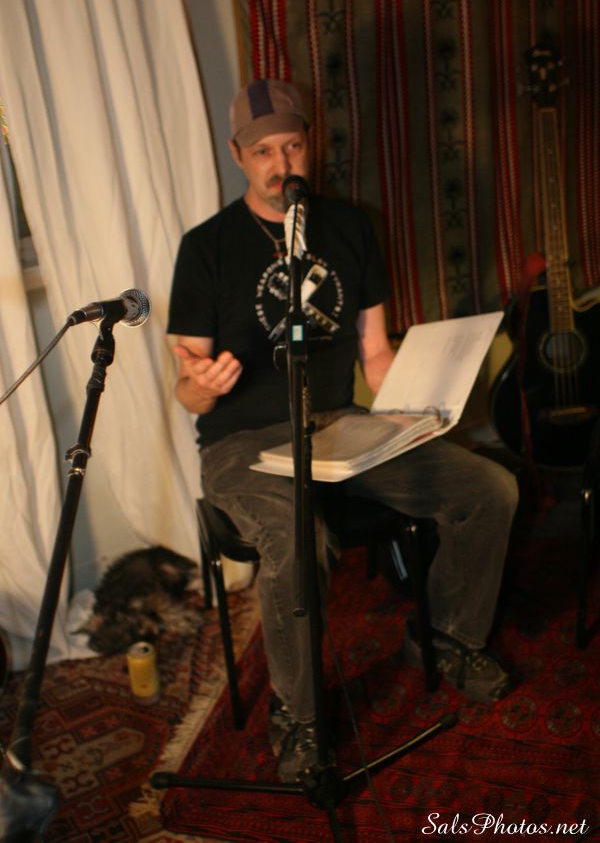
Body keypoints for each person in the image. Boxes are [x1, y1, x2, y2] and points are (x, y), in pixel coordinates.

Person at [167, 78, 519, 784]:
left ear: (310, 144)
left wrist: (422, 408)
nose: (281, 165)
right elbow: (187, 388)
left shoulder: (351, 226)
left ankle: (447, 636)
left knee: (489, 489)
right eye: (263, 151)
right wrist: (200, 385)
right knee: (294, 537)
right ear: (237, 155)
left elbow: (376, 354)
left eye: (292, 146)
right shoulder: (207, 247)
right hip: (243, 440)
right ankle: (299, 718)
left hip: (340, 425)